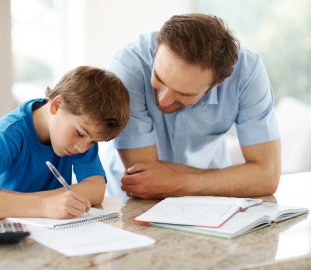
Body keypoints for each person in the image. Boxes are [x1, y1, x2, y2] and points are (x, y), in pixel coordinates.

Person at [105, 13, 281, 199]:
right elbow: (145, 180)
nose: (164, 100)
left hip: (210, 200)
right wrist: (235, 178)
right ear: (157, 50)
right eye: (158, 78)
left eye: (183, 94)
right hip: (129, 200)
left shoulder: (248, 73)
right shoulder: (129, 65)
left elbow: (267, 177)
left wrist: (181, 183)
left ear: (217, 83)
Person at [0, 66, 130, 219]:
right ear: (57, 106)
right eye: (80, 133)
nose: (83, 148)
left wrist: (47, 202)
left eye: (93, 142)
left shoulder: (82, 136)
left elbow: (96, 189)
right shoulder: (7, 134)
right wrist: (45, 205)